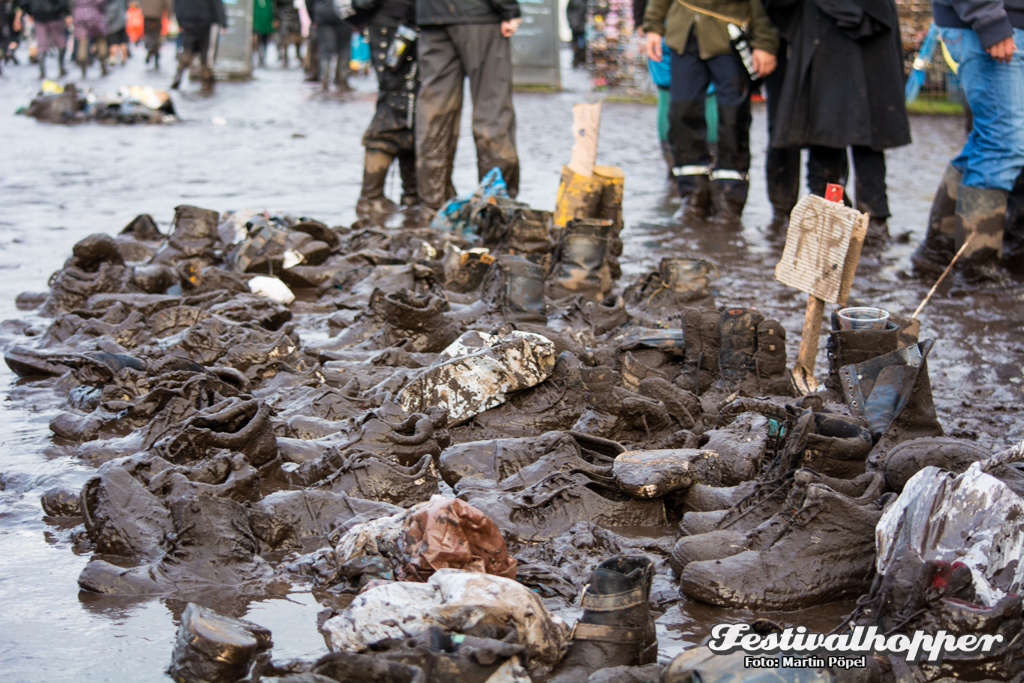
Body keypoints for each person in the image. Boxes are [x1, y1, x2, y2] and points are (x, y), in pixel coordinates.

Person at [764, 0, 910, 244]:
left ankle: (867, 220)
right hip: (826, 35)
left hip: (847, 35)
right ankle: (838, 215)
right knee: (829, 134)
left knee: (853, 133)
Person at [912, 0, 1024, 284]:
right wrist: (988, 18)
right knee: (1001, 143)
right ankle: (978, 270)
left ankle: (940, 249)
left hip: (1002, 19)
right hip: (989, 20)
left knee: (991, 138)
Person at [643, 0, 778, 223]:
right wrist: (653, 26)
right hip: (684, 34)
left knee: (733, 117)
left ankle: (730, 198)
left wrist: (764, 42)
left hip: (728, 36)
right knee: (682, 115)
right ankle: (693, 196)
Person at [415, 0, 522, 211]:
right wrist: (509, 9)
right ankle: (496, 206)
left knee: (434, 109)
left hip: (431, 15)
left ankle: (433, 205)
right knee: (492, 106)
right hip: (479, 14)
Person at [353, 0, 419, 217]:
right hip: (396, 23)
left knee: (410, 107)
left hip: (397, 21)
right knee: (399, 103)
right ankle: (372, 197)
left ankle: (411, 195)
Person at [171, 0, 225, 94]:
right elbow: (217, 4)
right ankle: (206, 80)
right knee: (206, 52)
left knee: (188, 49)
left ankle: (178, 75)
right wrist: (222, 22)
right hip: (205, 21)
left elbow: (176, 4)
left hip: (187, 20)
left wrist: (179, 20)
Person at [15, 0, 70, 77]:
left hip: (39, 16)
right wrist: (67, 13)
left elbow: (25, 2)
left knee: (42, 44)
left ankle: (42, 71)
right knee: (60, 42)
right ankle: (61, 67)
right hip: (54, 15)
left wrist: (29, 12)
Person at [308, 0, 352, 91]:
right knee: (344, 48)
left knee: (326, 49)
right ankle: (342, 81)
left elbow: (309, 2)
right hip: (344, 12)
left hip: (323, 13)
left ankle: (324, 81)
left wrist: (313, 18)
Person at [72, 0, 110, 77]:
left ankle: (83, 69)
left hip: (79, 15)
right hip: (94, 14)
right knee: (100, 40)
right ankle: (103, 65)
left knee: (82, 43)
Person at [141, 0, 169, 67]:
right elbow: (166, 3)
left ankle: (150, 50)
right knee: (156, 37)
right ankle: (156, 56)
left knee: (148, 35)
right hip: (157, 13)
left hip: (147, 13)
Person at [275, 0, 301, 66]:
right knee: (285, 39)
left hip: (295, 15)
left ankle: (297, 54)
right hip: (284, 16)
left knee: (296, 38)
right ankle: (286, 57)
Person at [105, 0, 128, 65]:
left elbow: (112, 11)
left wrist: (106, 20)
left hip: (114, 25)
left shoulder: (112, 2)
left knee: (114, 42)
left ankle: (113, 58)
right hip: (122, 21)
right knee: (123, 41)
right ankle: (124, 58)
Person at [253, 0, 274, 66]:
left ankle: (263, 57)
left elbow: (271, 11)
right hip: (258, 24)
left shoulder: (268, 1)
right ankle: (260, 57)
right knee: (259, 41)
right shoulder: (255, 2)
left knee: (265, 41)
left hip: (266, 24)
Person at [567, 0, 586, 68]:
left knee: (584, 44)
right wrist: (572, 23)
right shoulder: (574, 1)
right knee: (575, 43)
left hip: (583, 25)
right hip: (576, 25)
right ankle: (576, 60)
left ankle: (582, 59)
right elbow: (569, 12)